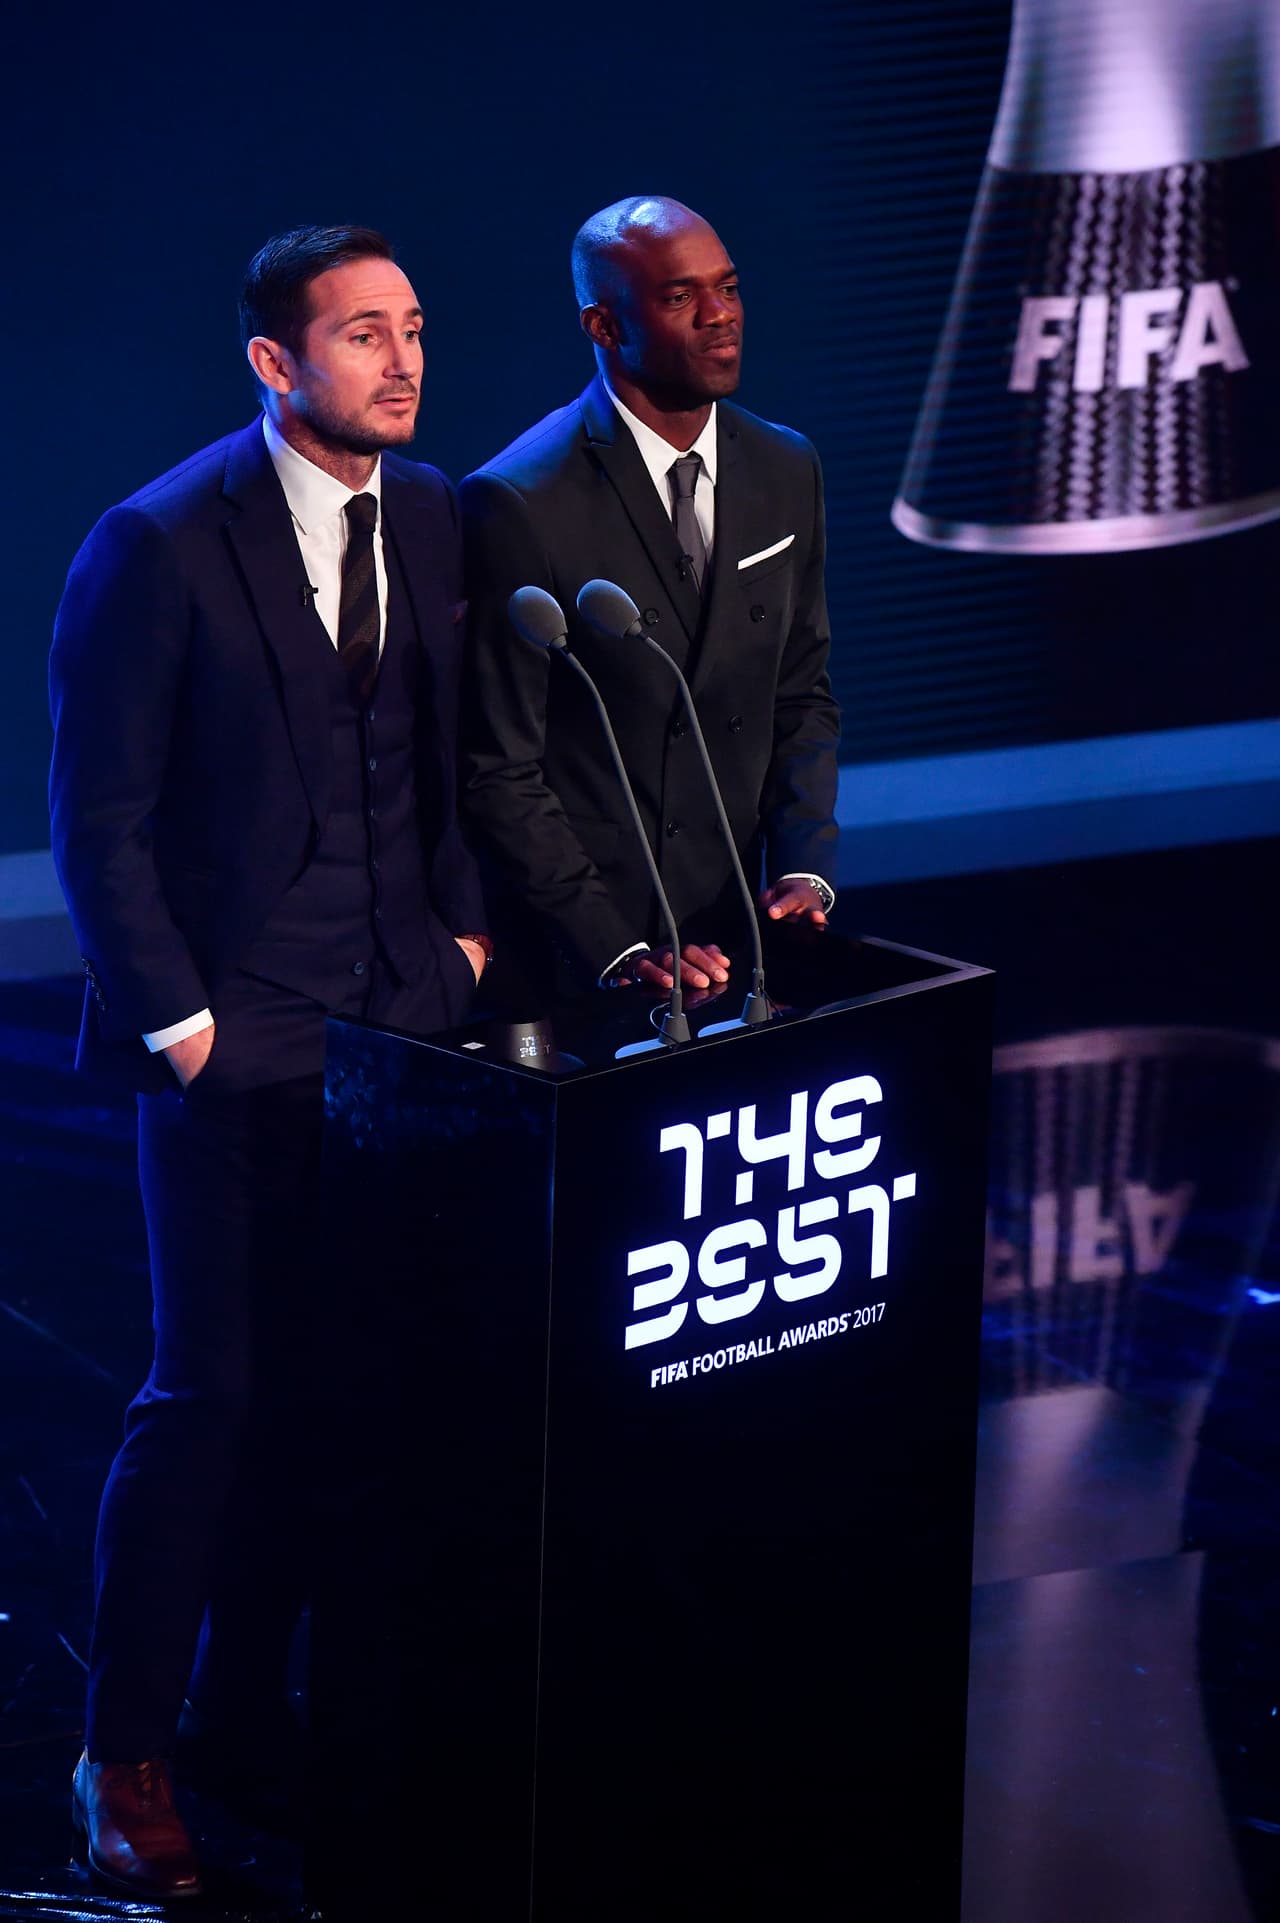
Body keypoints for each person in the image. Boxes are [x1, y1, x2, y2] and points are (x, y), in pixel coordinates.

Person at [48, 223, 489, 1899]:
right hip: (230, 1041)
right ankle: (126, 1747)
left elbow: (454, 761)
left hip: (399, 1033)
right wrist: (186, 1025)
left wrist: (455, 937)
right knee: (212, 1392)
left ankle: (247, 1715)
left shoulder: (433, 511)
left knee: (339, 1399)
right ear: (274, 360)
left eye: (415, 328)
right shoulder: (156, 545)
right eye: (365, 332)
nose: (403, 359)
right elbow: (100, 823)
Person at [459, 194, 839, 1007]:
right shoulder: (519, 499)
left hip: (744, 936)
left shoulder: (786, 465)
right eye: (679, 298)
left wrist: (804, 864)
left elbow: (801, 691)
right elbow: (500, 767)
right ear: (603, 326)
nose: (720, 316)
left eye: (729, 288)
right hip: (593, 949)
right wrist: (618, 945)